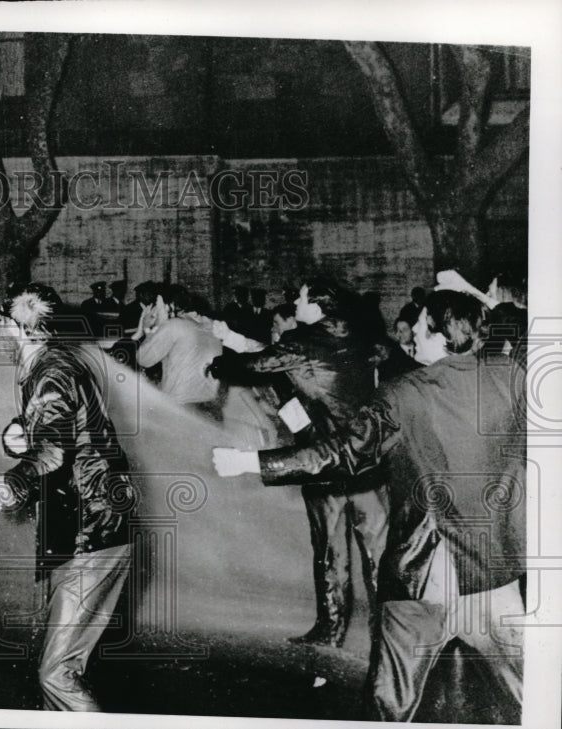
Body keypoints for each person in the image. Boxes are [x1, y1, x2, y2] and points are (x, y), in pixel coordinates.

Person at [212, 291, 525, 722]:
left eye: (419, 324)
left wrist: (250, 462)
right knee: (531, 695)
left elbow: (344, 453)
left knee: (390, 704)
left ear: (436, 333)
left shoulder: (406, 392)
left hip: (426, 578)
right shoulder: (512, 375)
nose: (411, 330)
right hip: (497, 572)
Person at [207, 278, 388, 647]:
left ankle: (330, 631)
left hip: (322, 461)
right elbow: (284, 356)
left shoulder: (304, 341)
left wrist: (219, 362)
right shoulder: (359, 335)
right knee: (378, 557)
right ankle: (387, 639)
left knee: (329, 553)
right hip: (367, 460)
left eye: (302, 296)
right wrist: (232, 337)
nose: (295, 301)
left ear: (317, 305)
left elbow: (258, 364)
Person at [0, 283, 134, 712]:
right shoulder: (48, 364)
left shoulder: (51, 373)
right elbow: (57, 430)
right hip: (82, 518)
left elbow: (53, 449)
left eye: (3, 319)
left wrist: (13, 482)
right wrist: (19, 433)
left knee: (57, 673)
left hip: (92, 525)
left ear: (18, 327)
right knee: (58, 665)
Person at [135, 287, 222, 412]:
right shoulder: (213, 326)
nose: (154, 312)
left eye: (157, 307)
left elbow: (143, 358)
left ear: (169, 306)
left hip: (182, 407)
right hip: (211, 406)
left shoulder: (175, 325)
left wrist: (148, 329)